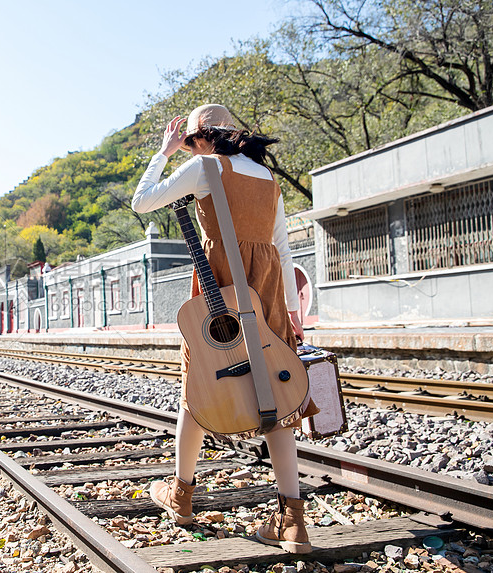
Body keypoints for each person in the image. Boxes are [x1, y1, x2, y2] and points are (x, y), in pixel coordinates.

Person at [132, 104, 314, 554]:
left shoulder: (204, 166)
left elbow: (143, 201)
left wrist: (163, 151)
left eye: (189, 142)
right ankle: (293, 522)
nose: (188, 148)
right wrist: (294, 311)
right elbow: (283, 248)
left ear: (201, 139)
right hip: (267, 286)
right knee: (276, 395)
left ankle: (182, 494)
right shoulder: (269, 179)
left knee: (201, 384)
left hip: (219, 281)